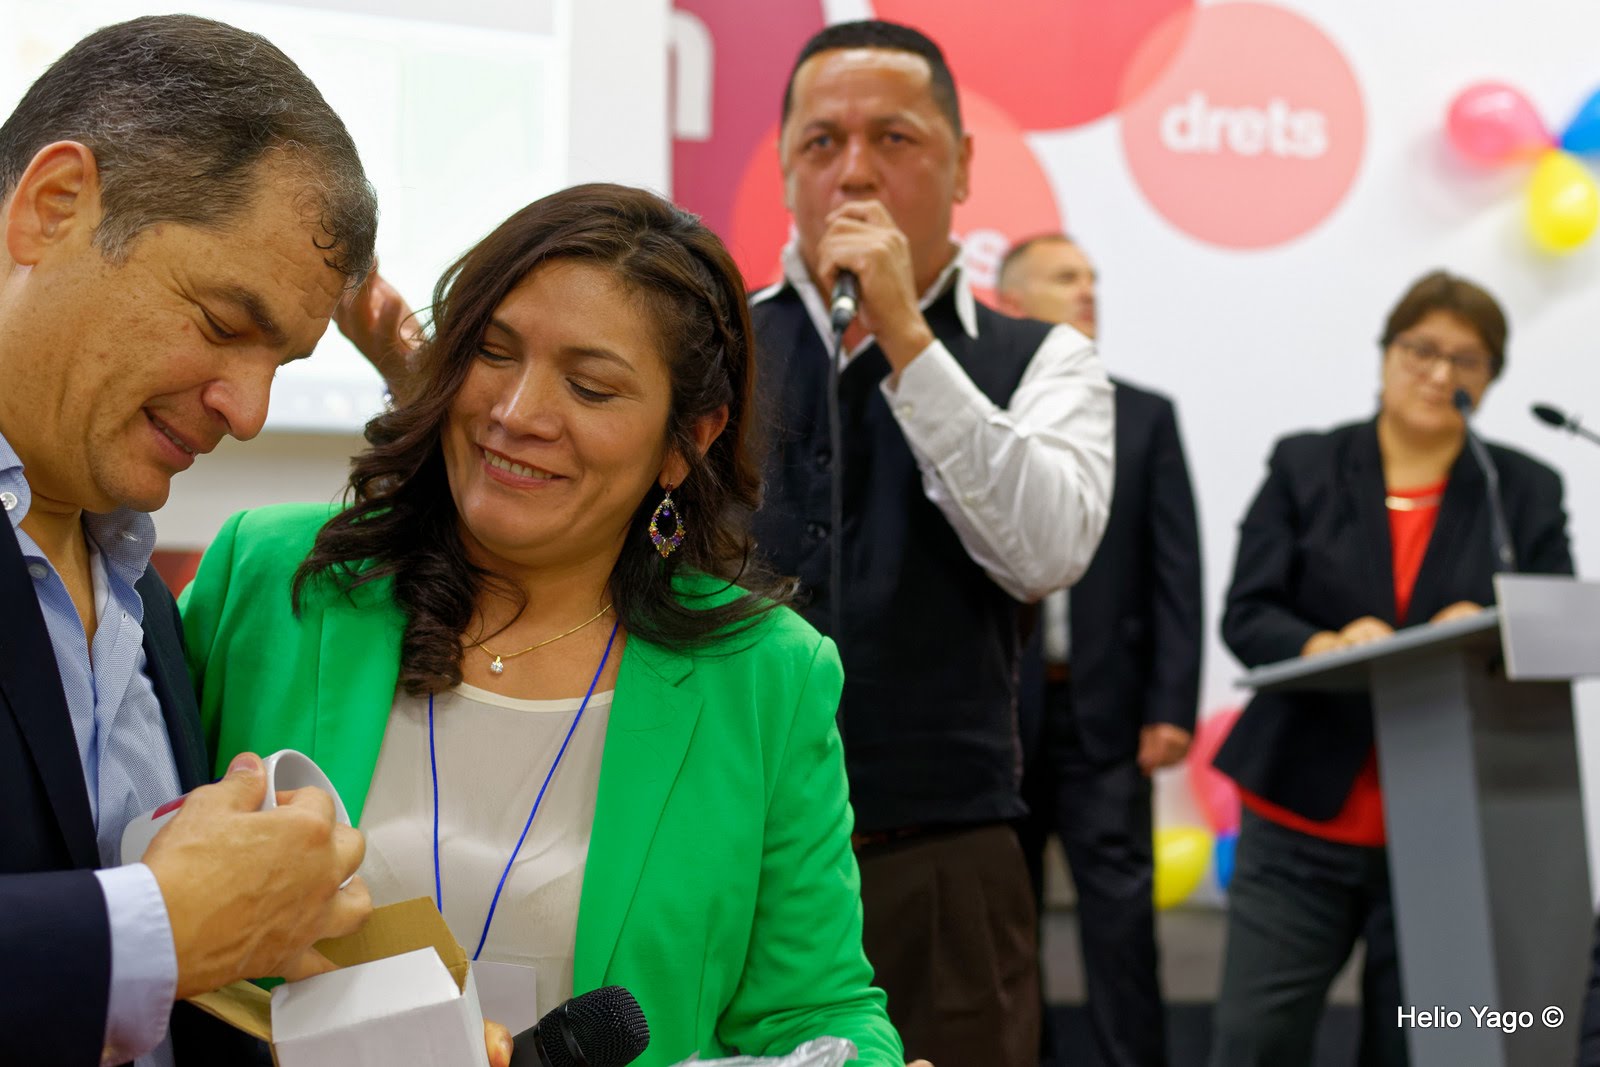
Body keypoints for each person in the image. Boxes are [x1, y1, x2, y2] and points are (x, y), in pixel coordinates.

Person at [179, 183, 920, 1067]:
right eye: (492, 353)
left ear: (688, 440)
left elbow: (820, 1011)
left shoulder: (767, 674)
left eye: (590, 387)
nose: (517, 413)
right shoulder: (271, 579)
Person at [0, 16, 380, 1067]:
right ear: (53, 207)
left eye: (282, 364)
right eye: (221, 322)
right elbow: (153, 937)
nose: (248, 410)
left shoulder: (145, 598)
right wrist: (155, 924)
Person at [747, 21, 1114, 1066]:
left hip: (943, 859)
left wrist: (907, 336)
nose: (856, 171)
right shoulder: (712, 342)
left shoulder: (1044, 358)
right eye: (823, 142)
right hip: (731, 843)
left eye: (895, 138)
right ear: (787, 169)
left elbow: (1045, 551)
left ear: (962, 166)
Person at [1209, 270, 1575, 1067]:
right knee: (1255, 1039)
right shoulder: (1308, 464)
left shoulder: (1521, 491)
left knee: (1423, 1045)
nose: (1440, 374)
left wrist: (1488, 630)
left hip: (1450, 828)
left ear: (1491, 377)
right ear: (1386, 353)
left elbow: (1556, 629)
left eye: (1466, 359)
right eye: (1421, 350)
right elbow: (1248, 613)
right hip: (1303, 813)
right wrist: (1322, 643)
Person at [995, 234, 1202, 1067]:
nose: (1087, 290)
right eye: (1065, 277)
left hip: (1109, 716)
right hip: (996, 719)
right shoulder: (971, 416)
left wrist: (1171, 705)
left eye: (1092, 277)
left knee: (1121, 931)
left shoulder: (1143, 415)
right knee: (1005, 931)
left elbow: (1176, 571)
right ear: (1012, 303)